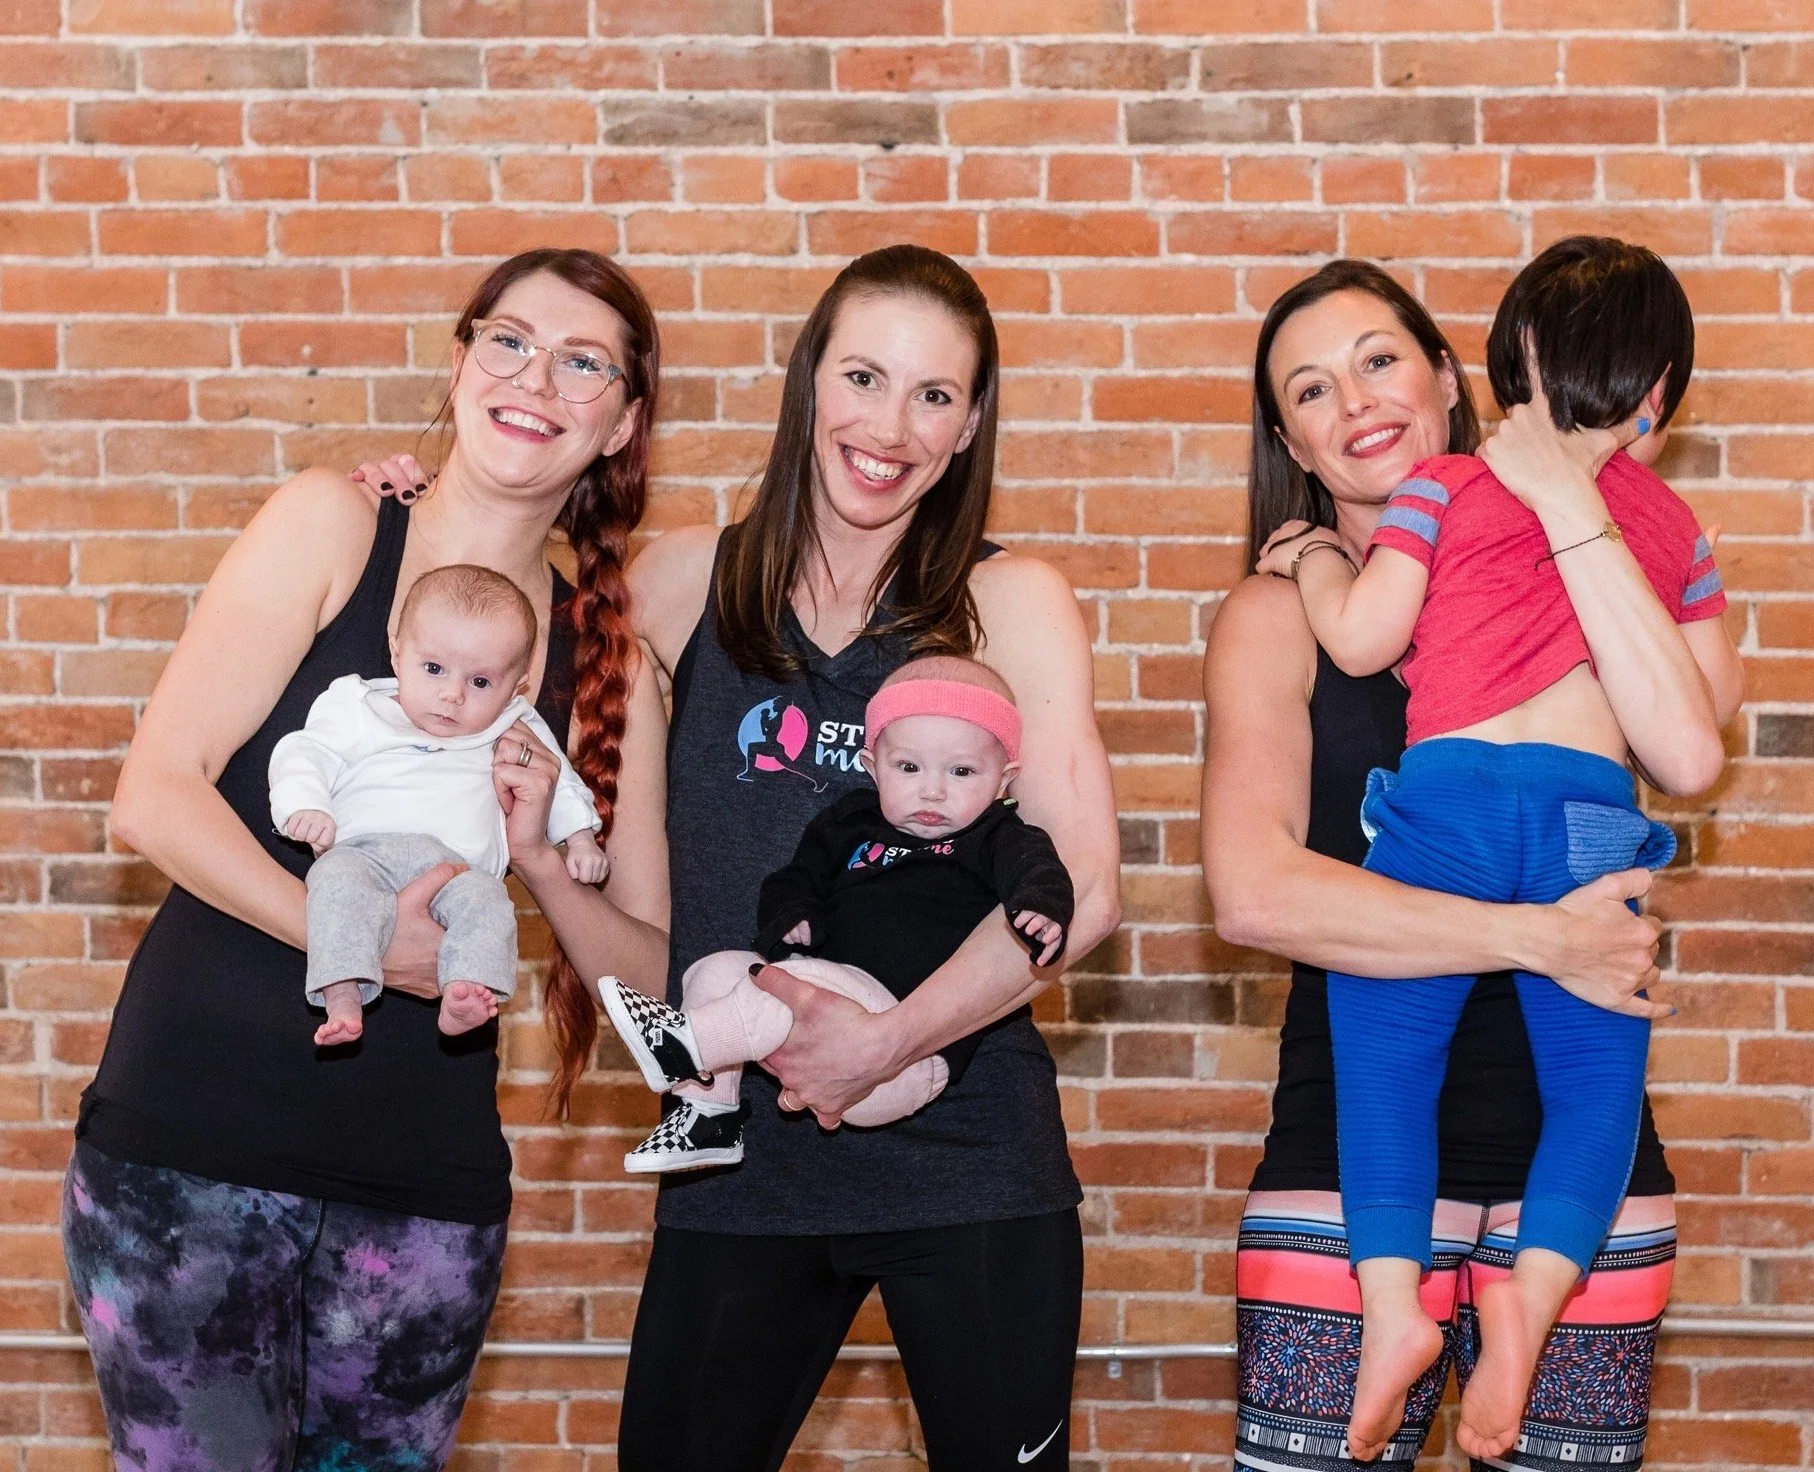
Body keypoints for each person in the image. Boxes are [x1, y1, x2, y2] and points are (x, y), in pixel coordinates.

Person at [369, 243, 1118, 1468]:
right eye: (863, 377)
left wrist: (887, 1040)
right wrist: (406, 503)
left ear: (972, 422)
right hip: (739, 1171)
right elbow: (483, 622)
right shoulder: (679, 585)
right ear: (810, 378)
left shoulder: (1012, 601)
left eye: (934, 394)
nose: (890, 426)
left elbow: (1080, 892)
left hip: (970, 1161)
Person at [63, 247, 669, 1472]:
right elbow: (154, 795)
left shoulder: (612, 660)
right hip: (190, 1150)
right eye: (510, 341)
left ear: (621, 423)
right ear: (458, 363)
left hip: (424, 1192)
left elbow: (649, 971)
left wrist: (546, 864)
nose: (535, 379)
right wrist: (363, 942)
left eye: (582, 363)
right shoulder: (332, 521)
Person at [1203, 259, 1744, 1472]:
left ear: (1457, 377)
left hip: (1571, 1166)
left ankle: (1479, 1297)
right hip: (1341, 1167)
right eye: (1310, 388)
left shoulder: (1544, 522)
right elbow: (1252, 893)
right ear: (1289, 440)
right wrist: (1543, 938)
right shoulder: (1275, 612)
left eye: (1377, 360)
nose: (1354, 400)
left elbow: (1695, 737)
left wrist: (1577, 511)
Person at [598, 654, 1074, 1171]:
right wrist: (794, 915)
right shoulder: (849, 824)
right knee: (715, 970)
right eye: (908, 767)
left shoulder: (998, 836)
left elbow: (1040, 874)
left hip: (904, 1057)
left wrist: (1042, 909)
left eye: (962, 771)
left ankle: (684, 1045)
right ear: (873, 767)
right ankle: (707, 1115)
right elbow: (793, 880)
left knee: (787, 985)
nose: (933, 790)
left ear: (1003, 780)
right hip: (828, 1015)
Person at [271, 562, 607, 1046]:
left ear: (517, 687)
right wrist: (304, 805)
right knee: (335, 887)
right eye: (434, 669)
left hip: (459, 870)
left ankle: (464, 991)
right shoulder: (359, 706)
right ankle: (341, 991)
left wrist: (580, 838)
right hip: (362, 854)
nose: (452, 695)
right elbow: (305, 753)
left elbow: (558, 782)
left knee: (489, 903)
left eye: (480, 682)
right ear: (397, 652)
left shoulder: (512, 725)